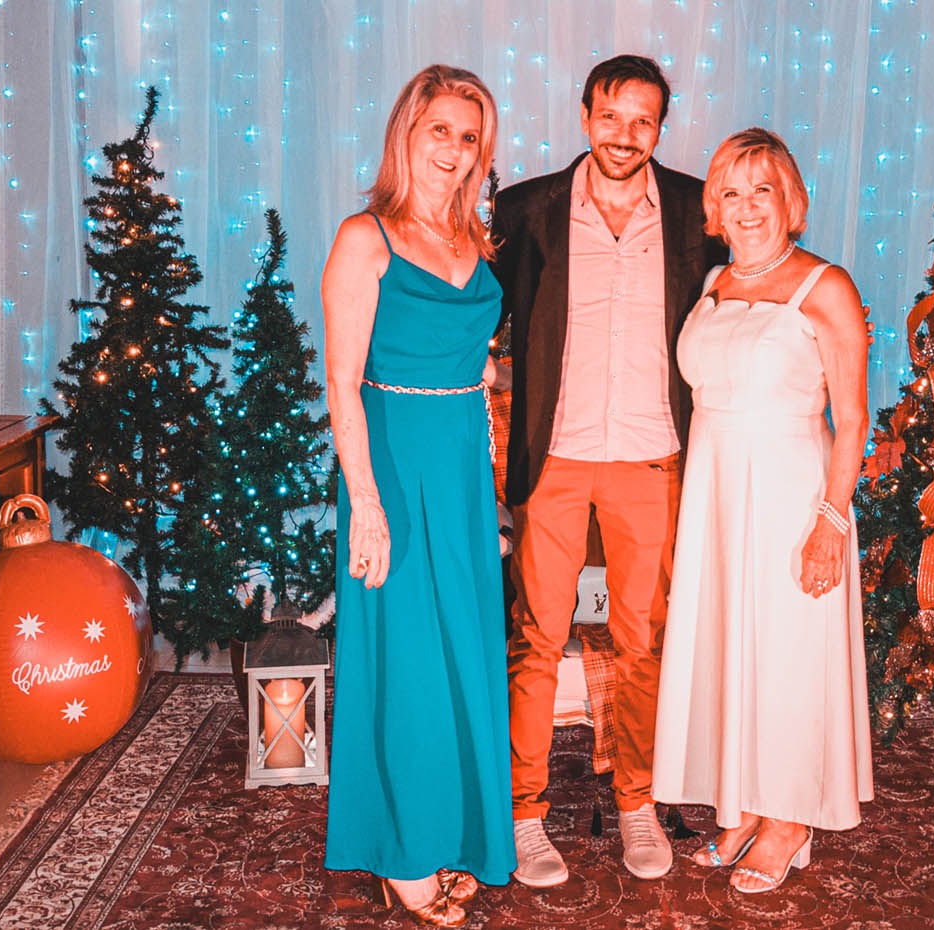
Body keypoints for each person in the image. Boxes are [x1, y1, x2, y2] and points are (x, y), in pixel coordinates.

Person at [490, 55, 729, 887]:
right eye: (611, 115)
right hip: (553, 454)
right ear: (585, 113)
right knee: (536, 638)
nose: (625, 135)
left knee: (641, 643)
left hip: (653, 455)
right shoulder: (527, 210)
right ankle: (523, 814)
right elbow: (479, 308)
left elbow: (748, 288)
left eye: (643, 120)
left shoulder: (699, 209)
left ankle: (636, 802)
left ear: (661, 126)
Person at [651, 127, 875, 893]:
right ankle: (744, 804)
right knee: (730, 649)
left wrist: (831, 523)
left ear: (792, 202)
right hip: (715, 493)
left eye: (763, 191)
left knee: (788, 656)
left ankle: (789, 819)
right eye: (732, 193)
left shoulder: (825, 286)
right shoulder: (714, 282)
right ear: (715, 207)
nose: (747, 207)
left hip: (791, 493)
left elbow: (853, 417)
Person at [320, 64, 514, 928]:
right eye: (440, 129)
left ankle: (454, 831)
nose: (454, 149)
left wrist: (493, 463)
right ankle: (401, 853)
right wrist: (366, 502)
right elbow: (341, 384)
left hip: (462, 472)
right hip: (392, 467)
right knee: (404, 661)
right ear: (407, 131)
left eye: (469, 137)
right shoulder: (365, 238)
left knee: (463, 653)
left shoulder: (475, 239)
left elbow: (474, 364)